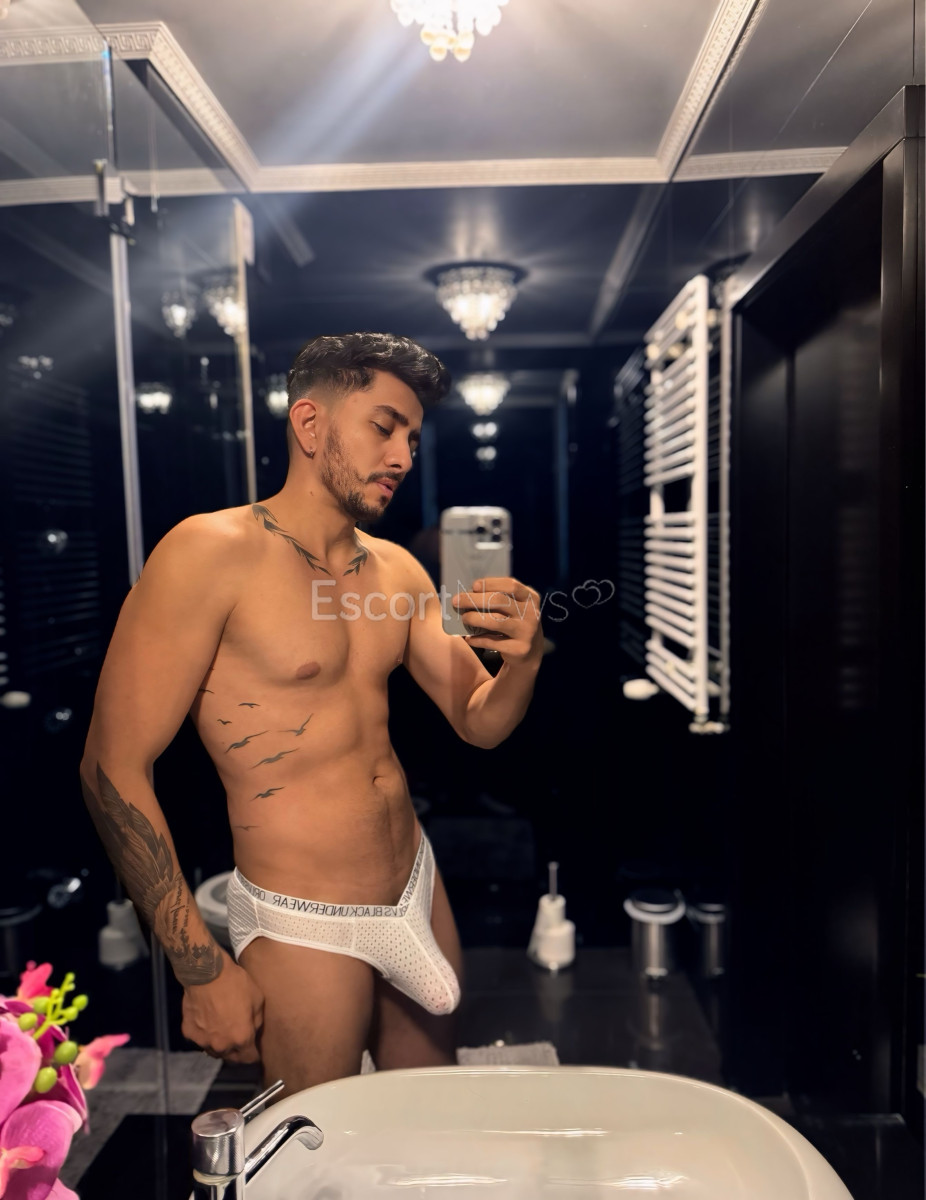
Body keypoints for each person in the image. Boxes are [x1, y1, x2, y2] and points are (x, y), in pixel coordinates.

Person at [80, 332, 544, 1095]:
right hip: (302, 916)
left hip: (415, 885)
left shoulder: (397, 569)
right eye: (384, 427)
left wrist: (521, 662)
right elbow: (111, 767)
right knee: (315, 1143)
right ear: (309, 423)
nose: (402, 456)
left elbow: (479, 721)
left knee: (428, 1120)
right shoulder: (207, 553)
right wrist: (199, 967)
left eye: (412, 438)